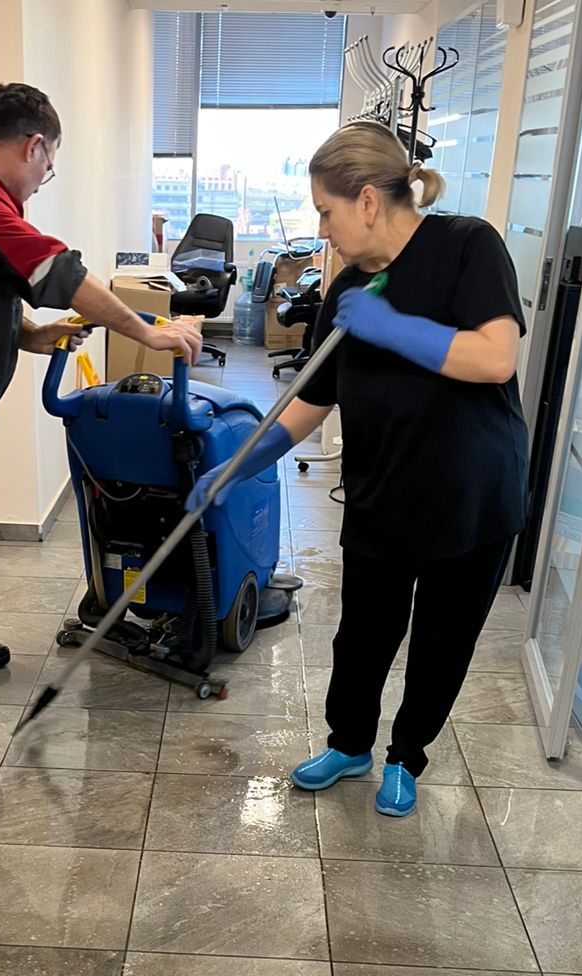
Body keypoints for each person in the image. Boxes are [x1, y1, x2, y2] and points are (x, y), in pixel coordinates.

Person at [188, 123, 528, 816]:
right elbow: (309, 402)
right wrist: (236, 465)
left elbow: (495, 357)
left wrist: (393, 326)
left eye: (326, 210)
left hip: (471, 498)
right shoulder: (349, 288)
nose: (323, 229)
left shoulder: (468, 246)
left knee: (442, 641)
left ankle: (406, 756)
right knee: (363, 635)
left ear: (368, 200)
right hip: (383, 491)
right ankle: (350, 744)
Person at [0, 83, 202, 673]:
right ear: (34, 146)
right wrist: (147, 334)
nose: (45, 178)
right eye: (50, 165)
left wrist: (30, 334)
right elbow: (56, 271)